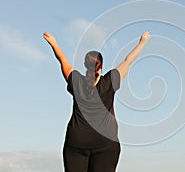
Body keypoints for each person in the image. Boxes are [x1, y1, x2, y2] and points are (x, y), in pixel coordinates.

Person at [43, 31, 150, 172]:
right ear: (101, 66)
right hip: (105, 145)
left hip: (76, 145)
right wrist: (142, 42)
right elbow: (128, 61)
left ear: (85, 65)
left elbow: (62, 59)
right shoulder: (110, 81)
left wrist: (54, 43)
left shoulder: (77, 81)